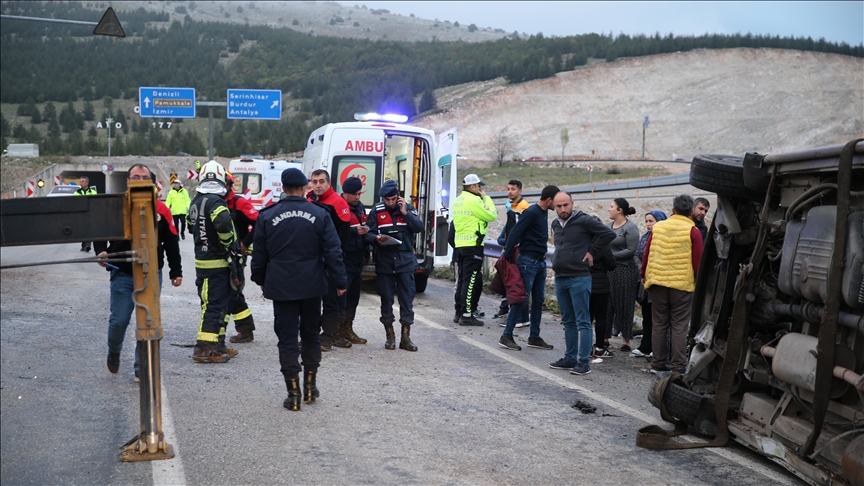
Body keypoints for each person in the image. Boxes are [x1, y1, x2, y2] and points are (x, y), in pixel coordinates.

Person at [251, 168, 347, 411]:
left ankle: (293, 393)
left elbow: (259, 254)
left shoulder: (267, 215)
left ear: (282, 188)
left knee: (287, 339)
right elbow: (333, 252)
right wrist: (340, 282)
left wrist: (261, 279)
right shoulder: (320, 214)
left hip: (282, 285)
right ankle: (310, 388)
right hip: (312, 285)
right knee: (311, 335)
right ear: (306, 187)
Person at [95, 164, 182, 382]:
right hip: (122, 272)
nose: (140, 180)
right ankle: (114, 350)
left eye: (144, 177)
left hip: (151, 273)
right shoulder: (116, 206)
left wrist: (176, 271)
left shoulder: (161, 209)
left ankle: (141, 368)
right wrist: (101, 251)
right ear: (128, 181)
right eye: (136, 177)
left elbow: (171, 242)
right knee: (120, 320)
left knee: (148, 322)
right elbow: (99, 230)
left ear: (152, 183)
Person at [546, 192, 616, 374]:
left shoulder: (584, 220)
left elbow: (608, 234)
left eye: (565, 205)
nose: (562, 209)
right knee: (568, 321)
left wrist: (591, 251)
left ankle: (583, 362)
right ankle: (570, 358)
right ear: (554, 206)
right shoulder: (555, 223)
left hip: (579, 277)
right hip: (561, 277)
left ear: (572, 203)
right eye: (559, 206)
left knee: (583, 321)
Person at [641, 195, 704, 374]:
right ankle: (678, 366)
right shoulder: (693, 231)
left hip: (657, 283)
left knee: (659, 324)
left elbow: (647, 253)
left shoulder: (658, 228)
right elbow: (698, 260)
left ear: (673, 210)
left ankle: (657, 364)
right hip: (681, 286)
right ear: (691, 212)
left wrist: (643, 274)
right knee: (679, 325)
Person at [187, 160, 240, 363]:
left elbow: (190, 224)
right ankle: (204, 349)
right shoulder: (216, 202)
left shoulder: (196, 201)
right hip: (216, 263)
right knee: (213, 307)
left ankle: (218, 344)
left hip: (203, 262)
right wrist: (228, 244)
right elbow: (224, 224)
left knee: (217, 305)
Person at [498, 185, 559, 351]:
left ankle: (534, 337)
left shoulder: (543, 212)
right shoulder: (531, 212)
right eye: (557, 202)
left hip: (540, 263)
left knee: (538, 301)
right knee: (521, 299)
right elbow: (515, 233)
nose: (558, 205)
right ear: (549, 200)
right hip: (527, 262)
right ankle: (506, 335)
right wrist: (509, 256)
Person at [365, 180, 423, 351]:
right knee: (386, 299)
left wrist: (406, 213)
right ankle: (390, 336)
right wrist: (375, 238)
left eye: (392, 199)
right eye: (386, 199)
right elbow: (368, 233)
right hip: (385, 260)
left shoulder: (408, 208)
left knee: (406, 299)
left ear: (398, 196)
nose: (389, 203)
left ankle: (406, 337)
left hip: (405, 260)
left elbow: (418, 227)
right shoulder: (377, 210)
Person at [307, 169, 353, 351]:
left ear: (329, 183)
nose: (318, 185)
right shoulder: (310, 200)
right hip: (312, 261)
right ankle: (313, 335)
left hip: (330, 260)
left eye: (321, 181)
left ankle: (327, 337)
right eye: (315, 181)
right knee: (310, 301)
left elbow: (343, 239)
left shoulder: (338, 203)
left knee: (330, 301)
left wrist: (335, 263)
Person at [451, 174, 497, 326]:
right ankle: (466, 314)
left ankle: (459, 312)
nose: (480, 189)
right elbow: (491, 215)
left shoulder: (458, 201)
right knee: (470, 282)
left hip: (460, 245)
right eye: (479, 186)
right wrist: (486, 198)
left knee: (463, 280)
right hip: (473, 246)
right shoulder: (474, 200)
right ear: (472, 187)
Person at [224, 172, 258, 345]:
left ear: (229, 185)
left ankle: (244, 329)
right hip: (219, 255)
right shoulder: (213, 202)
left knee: (232, 290)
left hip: (237, 257)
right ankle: (245, 328)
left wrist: (245, 243)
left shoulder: (239, 203)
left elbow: (259, 222)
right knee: (230, 292)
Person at [494, 179, 530, 327]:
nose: (510, 192)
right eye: (508, 189)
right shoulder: (513, 207)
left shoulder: (523, 208)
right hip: (510, 251)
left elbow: (518, 233)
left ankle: (521, 318)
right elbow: (503, 235)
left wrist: (506, 242)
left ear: (520, 191)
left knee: (519, 286)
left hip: (518, 252)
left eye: (513, 189)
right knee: (512, 285)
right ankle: (513, 314)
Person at [631, 210, 667, 358]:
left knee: (658, 318)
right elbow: (637, 256)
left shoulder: (664, 238)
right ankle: (645, 346)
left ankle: (657, 349)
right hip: (644, 282)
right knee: (646, 315)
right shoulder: (645, 238)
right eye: (646, 221)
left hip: (657, 281)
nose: (648, 224)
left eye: (651, 221)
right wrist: (642, 270)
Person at [606, 197, 640, 352]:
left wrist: (612, 256)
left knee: (625, 304)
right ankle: (605, 337)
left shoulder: (630, 228)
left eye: (611, 207)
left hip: (625, 270)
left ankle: (626, 340)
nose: (609, 209)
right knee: (607, 305)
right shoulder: (608, 226)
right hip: (609, 271)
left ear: (619, 210)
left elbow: (631, 250)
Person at [340, 176, 370, 345]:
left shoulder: (359, 207)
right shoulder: (338, 206)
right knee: (340, 298)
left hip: (357, 259)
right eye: (354, 194)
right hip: (344, 259)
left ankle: (347, 329)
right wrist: (353, 232)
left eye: (359, 193)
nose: (357, 197)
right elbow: (334, 233)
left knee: (353, 298)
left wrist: (367, 254)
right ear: (345, 193)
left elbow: (364, 232)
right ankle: (337, 331)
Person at [588, 219, 617, 358]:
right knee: (601, 317)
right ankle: (599, 347)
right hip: (601, 286)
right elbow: (611, 264)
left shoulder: (581, 244)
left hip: (584, 284)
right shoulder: (602, 246)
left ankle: (585, 348)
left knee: (586, 318)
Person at [75, 176, 97, 252]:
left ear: (87, 183)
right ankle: (84, 244)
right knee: (83, 229)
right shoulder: (76, 193)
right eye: (80, 181)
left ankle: (88, 245)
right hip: (81, 213)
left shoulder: (93, 192)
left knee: (89, 229)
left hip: (90, 213)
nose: (81, 183)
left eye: (82, 181)